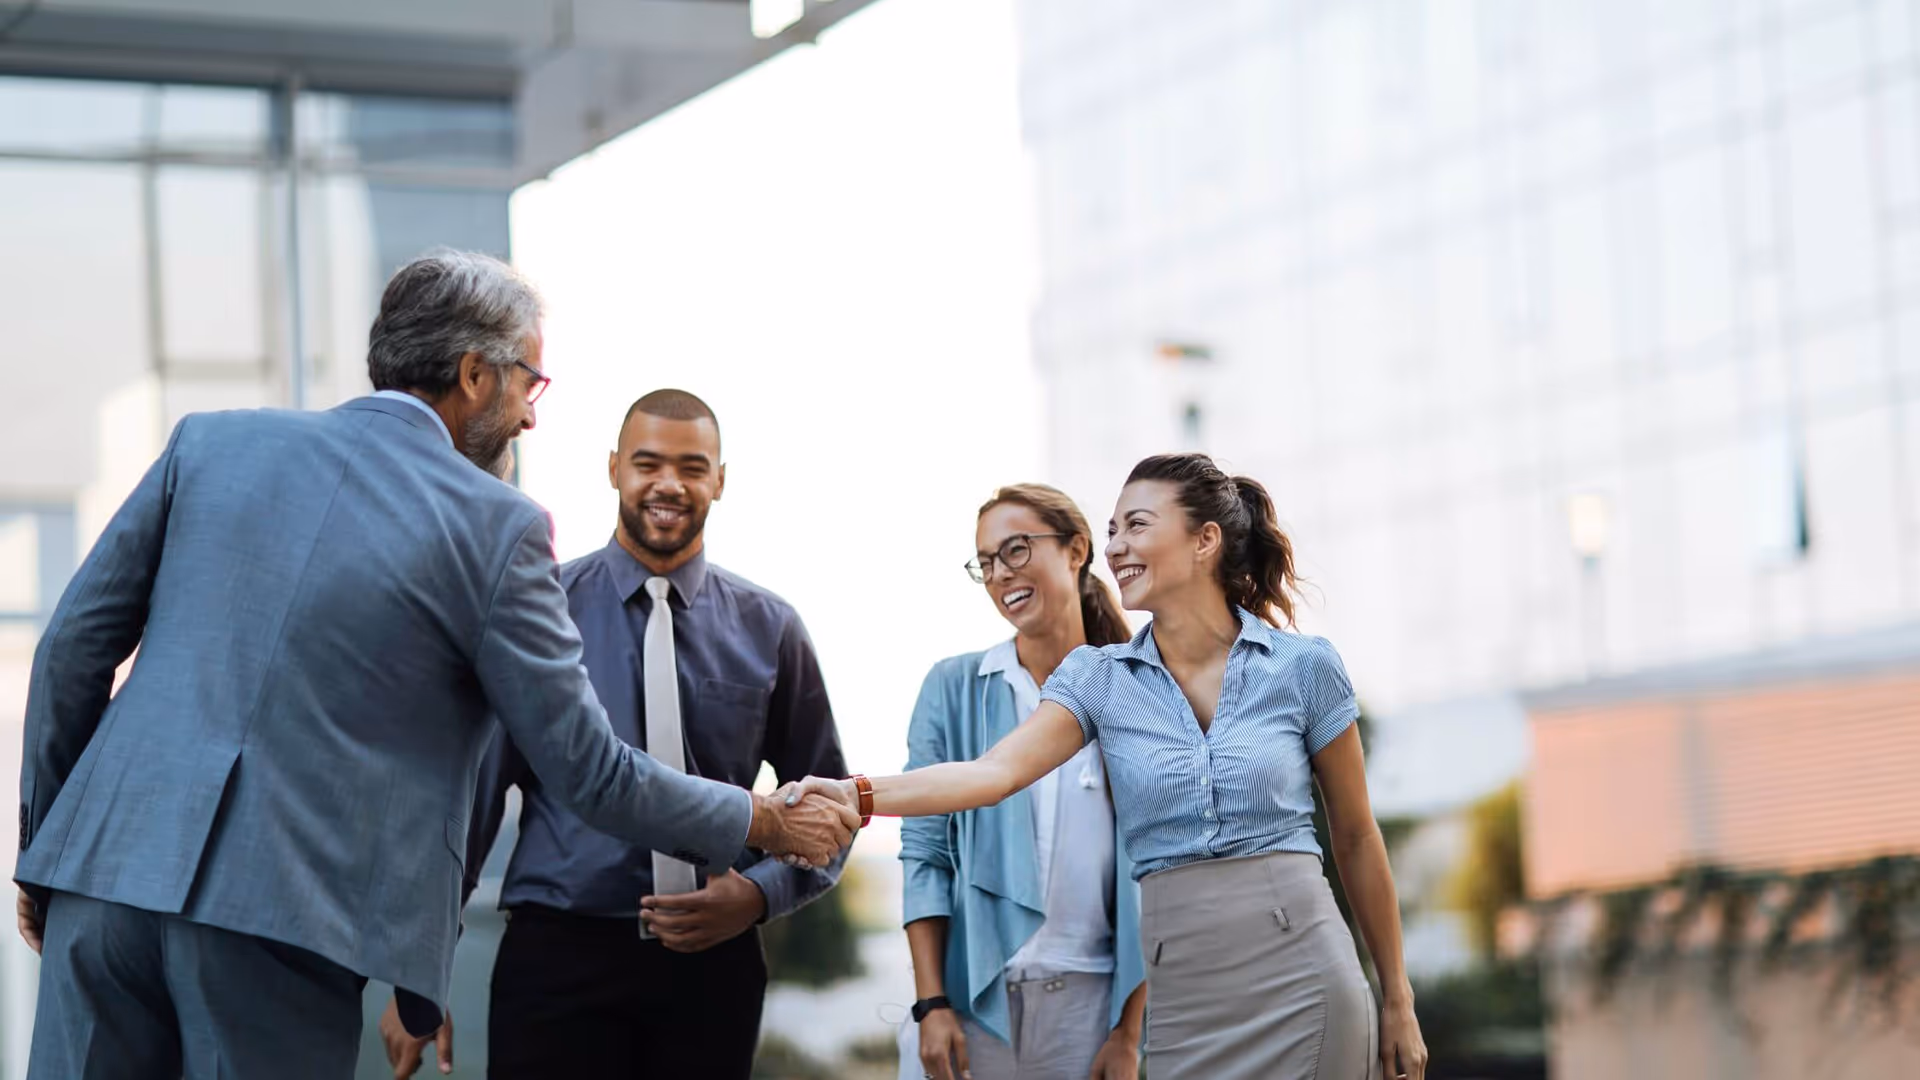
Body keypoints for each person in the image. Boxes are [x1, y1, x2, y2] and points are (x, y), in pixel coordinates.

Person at [12, 250, 856, 1080]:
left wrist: (45, 852)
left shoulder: (211, 445)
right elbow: (589, 771)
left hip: (102, 887)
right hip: (280, 921)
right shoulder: (500, 527)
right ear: (474, 375)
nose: (531, 415)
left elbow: (70, 651)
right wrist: (766, 823)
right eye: (532, 383)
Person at [788, 453, 1430, 1080]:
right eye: (1114, 529)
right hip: (1186, 996)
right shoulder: (1098, 679)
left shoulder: (1304, 666)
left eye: (1137, 525)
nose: (1116, 545)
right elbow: (992, 774)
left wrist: (1397, 999)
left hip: (1306, 975)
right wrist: (856, 794)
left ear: (1205, 540)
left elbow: (1355, 836)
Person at [384, 389, 850, 1079]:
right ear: (613, 469)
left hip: (711, 969)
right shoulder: (538, 611)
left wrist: (757, 897)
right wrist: (417, 972)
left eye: (692, 466)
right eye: (647, 462)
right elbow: (469, 802)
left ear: (720, 479)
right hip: (557, 960)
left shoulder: (772, 629)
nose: (669, 483)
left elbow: (832, 810)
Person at [899, 485, 1147, 1080]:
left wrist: (1129, 1033)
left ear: (1076, 549)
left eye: (1015, 550)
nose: (999, 574)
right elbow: (924, 856)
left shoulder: (1137, 689)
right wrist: (931, 1004)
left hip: (1091, 1008)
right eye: (985, 562)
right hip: (966, 1005)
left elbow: (1155, 866)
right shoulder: (953, 687)